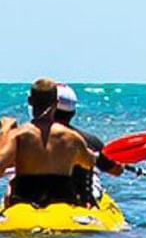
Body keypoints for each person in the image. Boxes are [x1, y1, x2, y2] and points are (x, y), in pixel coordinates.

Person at [0, 78, 96, 207]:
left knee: (10, 188)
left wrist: (5, 131)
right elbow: (88, 162)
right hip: (63, 202)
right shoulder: (72, 137)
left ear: (30, 101)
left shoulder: (18, 135)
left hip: (25, 201)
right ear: (56, 103)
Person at [54, 84, 123, 206]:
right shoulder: (89, 140)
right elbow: (116, 170)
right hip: (79, 197)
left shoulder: (27, 138)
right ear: (72, 113)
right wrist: (122, 162)